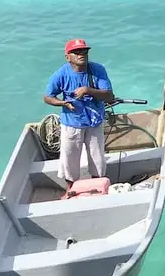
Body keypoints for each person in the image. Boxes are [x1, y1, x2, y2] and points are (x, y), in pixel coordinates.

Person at [43, 39, 115, 195]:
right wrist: (63, 103)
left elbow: (109, 95)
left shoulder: (98, 70)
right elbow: (48, 97)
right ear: (68, 57)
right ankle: (70, 189)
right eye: (77, 52)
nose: (81, 54)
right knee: (69, 158)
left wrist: (88, 90)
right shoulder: (61, 74)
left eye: (84, 51)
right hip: (72, 123)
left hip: (94, 122)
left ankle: (98, 186)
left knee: (97, 157)